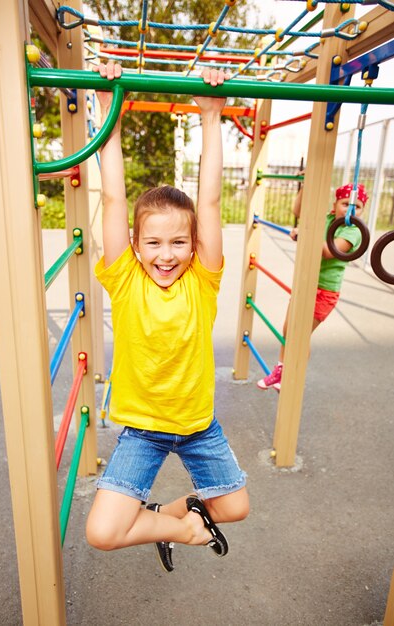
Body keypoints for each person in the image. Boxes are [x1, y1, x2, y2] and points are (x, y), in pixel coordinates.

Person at [86, 62, 249, 573]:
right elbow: (114, 197)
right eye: (153, 242)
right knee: (103, 533)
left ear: (194, 244)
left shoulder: (203, 280)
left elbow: (211, 199)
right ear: (134, 246)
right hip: (144, 429)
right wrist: (106, 102)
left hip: (199, 426)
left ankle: (165, 517)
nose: (166, 253)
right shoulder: (125, 278)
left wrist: (210, 115)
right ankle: (178, 527)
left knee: (235, 508)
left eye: (179, 241)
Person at [257, 179, 368, 391]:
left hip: (325, 292)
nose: (350, 210)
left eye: (357, 207)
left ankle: (292, 373)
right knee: (289, 330)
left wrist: (305, 234)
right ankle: (282, 370)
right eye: (345, 204)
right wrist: (307, 184)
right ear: (334, 205)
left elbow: (328, 251)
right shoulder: (325, 218)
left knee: (299, 334)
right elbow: (298, 211)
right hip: (306, 283)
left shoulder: (353, 231)